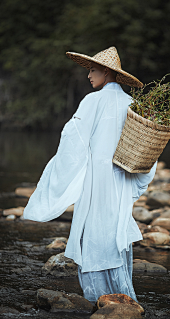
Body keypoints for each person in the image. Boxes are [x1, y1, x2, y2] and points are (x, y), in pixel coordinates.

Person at [23, 46, 157, 304]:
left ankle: (98, 297)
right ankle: (123, 297)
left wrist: (61, 175)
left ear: (106, 72)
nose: (88, 76)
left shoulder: (93, 101)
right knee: (113, 229)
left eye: (93, 70)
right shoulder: (133, 104)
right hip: (119, 179)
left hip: (97, 179)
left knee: (94, 231)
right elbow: (146, 150)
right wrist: (137, 183)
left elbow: (72, 140)